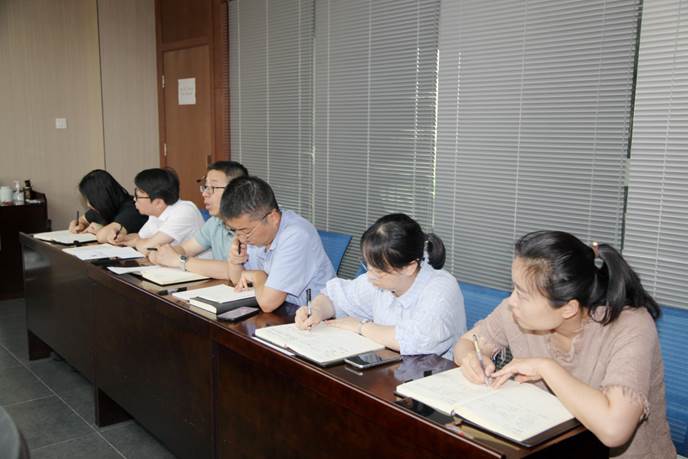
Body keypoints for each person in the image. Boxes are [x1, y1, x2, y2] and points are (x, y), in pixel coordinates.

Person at [452, 231, 676, 458]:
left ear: (568, 309)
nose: (512, 301)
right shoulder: (516, 313)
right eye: (514, 288)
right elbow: (467, 343)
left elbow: (614, 429)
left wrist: (545, 367)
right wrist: (471, 358)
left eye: (522, 294)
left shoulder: (629, 326)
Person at [295, 213, 466, 359]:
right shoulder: (380, 281)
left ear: (409, 267)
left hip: (433, 377)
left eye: (379, 271)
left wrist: (361, 327)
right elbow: (336, 297)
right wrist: (316, 310)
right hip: (391, 368)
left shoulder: (441, 288)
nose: (370, 276)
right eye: (368, 266)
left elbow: (418, 339)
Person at [223, 176, 335, 312]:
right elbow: (238, 281)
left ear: (273, 218)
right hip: (285, 312)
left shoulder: (296, 235)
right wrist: (235, 261)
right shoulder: (257, 233)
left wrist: (258, 275)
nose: (240, 237)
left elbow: (268, 303)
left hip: (316, 316)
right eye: (234, 230)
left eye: (245, 231)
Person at [148, 161, 248, 278]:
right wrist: (162, 254)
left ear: (235, 191)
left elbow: (233, 270)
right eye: (205, 187)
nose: (205, 194)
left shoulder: (250, 225)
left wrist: (179, 260)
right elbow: (185, 249)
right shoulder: (215, 222)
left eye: (213, 188)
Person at [116, 168, 204, 252]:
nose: (134, 199)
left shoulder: (184, 211)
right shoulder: (156, 213)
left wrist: (138, 242)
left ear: (158, 203)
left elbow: (147, 248)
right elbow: (141, 238)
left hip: (191, 262)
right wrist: (123, 238)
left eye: (138, 196)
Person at [68, 169, 146, 243]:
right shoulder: (105, 208)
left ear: (101, 198)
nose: (88, 204)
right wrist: (79, 224)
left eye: (90, 199)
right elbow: (82, 220)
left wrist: (100, 230)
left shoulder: (133, 209)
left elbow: (102, 237)